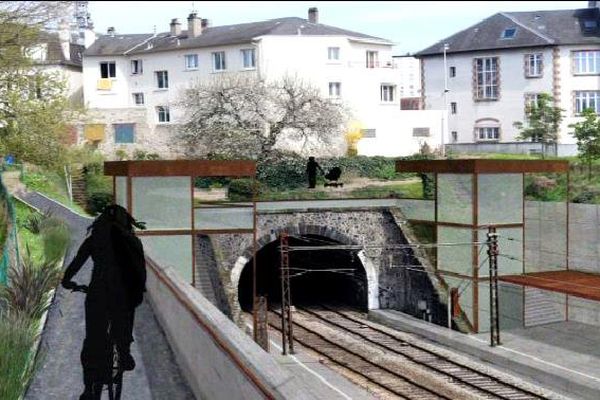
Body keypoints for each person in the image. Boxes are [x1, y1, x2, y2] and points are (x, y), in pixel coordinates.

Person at [62, 204, 146, 400]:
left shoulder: (94, 240)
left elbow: (76, 262)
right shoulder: (132, 241)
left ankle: (89, 389)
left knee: (92, 339)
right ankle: (124, 352)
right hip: (123, 296)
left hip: (98, 294)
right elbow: (140, 273)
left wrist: (67, 281)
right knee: (123, 324)